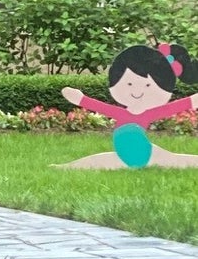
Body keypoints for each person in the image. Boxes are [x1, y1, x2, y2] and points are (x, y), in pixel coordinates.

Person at [59, 42, 198, 168]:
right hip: (128, 153)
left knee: (171, 160)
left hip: (142, 153)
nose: (137, 91)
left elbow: (173, 107)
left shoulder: (149, 114)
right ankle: (66, 167)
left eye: (148, 85)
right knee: (102, 161)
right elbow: (101, 107)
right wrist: (81, 99)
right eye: (130, 84)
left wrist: (193, 100)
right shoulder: (122, 113)